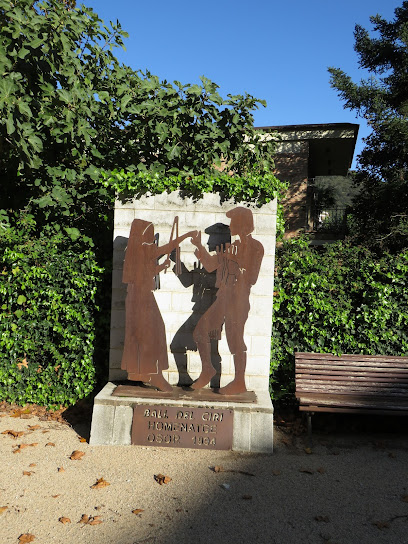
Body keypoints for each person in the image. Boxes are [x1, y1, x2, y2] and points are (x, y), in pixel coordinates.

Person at [190, 207, 264, 394]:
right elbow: (210, 266)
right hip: (223, 298)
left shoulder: (256, 247)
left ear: (242, 224)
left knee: (235, 340)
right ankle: (208, 369)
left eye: (233, 222)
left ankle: (240, 382)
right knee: (200, 331)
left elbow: (252, 278)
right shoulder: (230, 247)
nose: (231, 226)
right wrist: (199, 247)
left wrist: (237, 261)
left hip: (238, 300)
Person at [121, 218, 196, 392]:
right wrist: (185, 236)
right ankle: (153, 374)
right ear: (142, 235)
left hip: (141, 297)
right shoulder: (139, 251)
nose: (150, 237)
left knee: (154, 332)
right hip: (139, 299)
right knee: (151, 333)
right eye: (148, 233)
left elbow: (149, 268)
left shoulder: (142, 250)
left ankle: (152, 373)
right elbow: (162, 252)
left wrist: (161, 264)